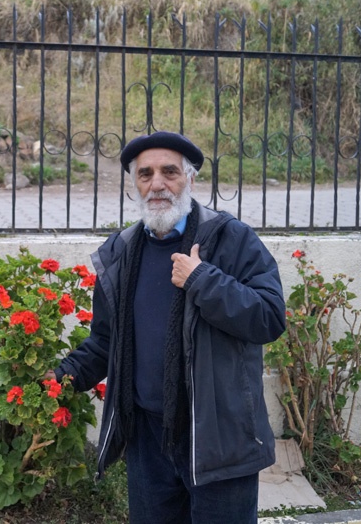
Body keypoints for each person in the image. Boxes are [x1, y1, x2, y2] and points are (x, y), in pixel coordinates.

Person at [51, 131, 286, 523]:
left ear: (190, 179)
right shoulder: (122, 253)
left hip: (219, 442)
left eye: (169, 172)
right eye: (145, 174)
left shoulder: (231, 239)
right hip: (149, 444)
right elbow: (106, 343)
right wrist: (56, 381)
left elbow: (269, 317)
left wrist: (202, 280)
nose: (157, 183)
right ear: (134, 185)